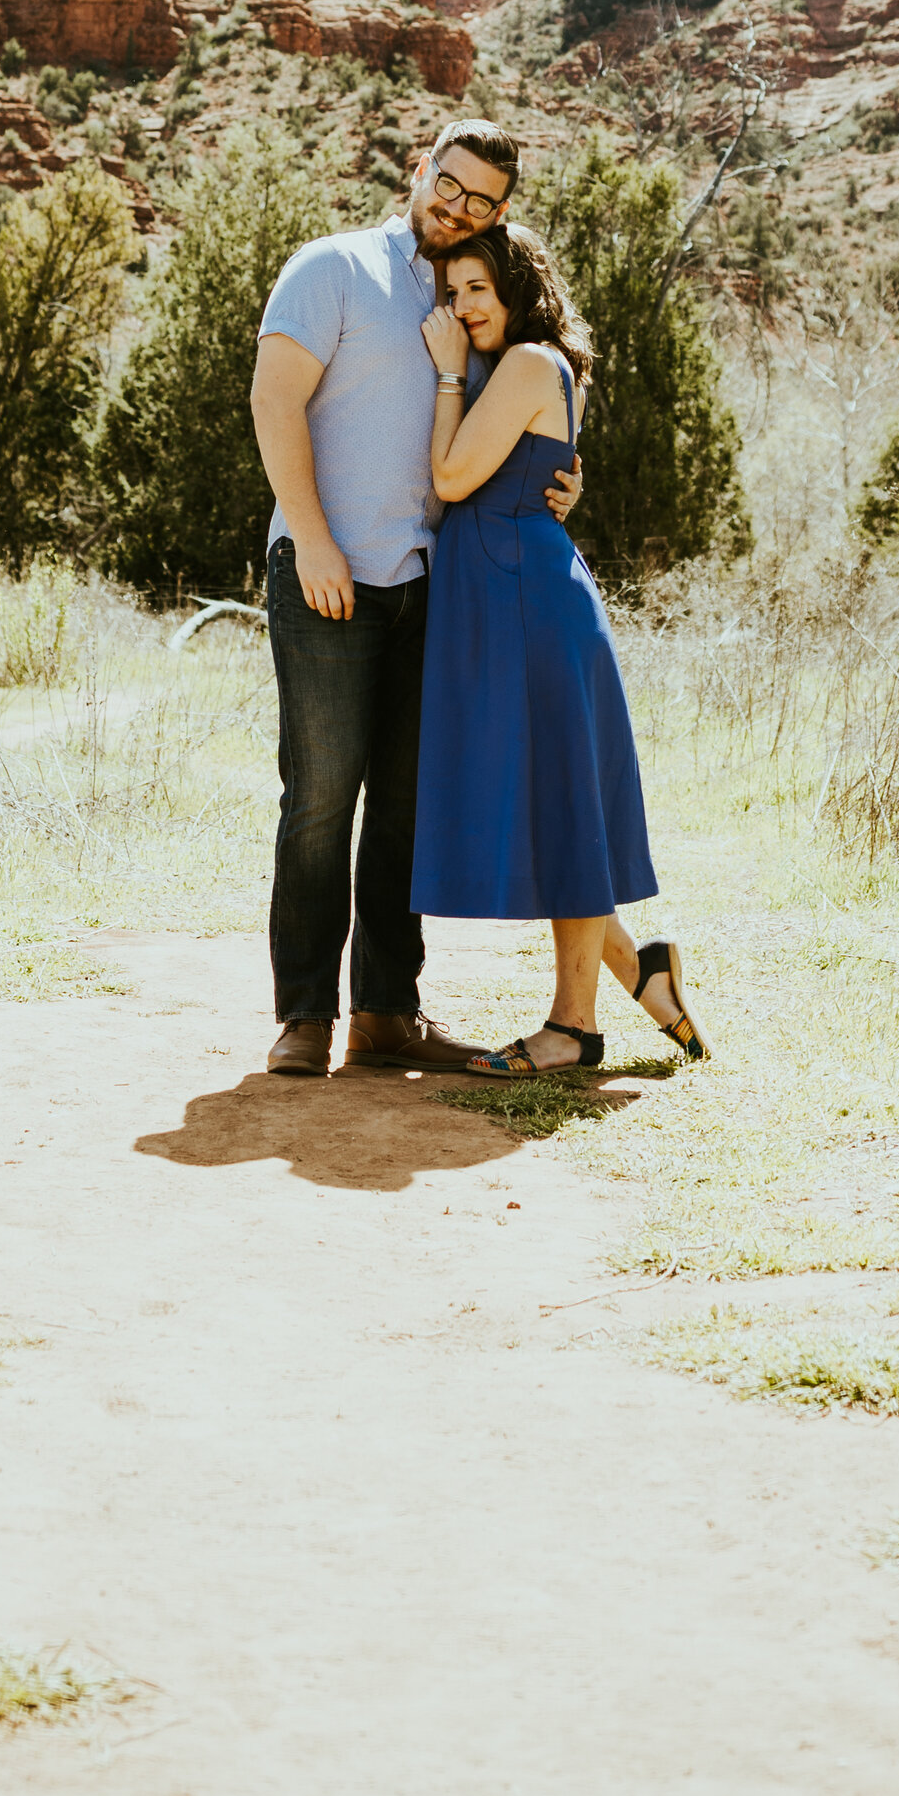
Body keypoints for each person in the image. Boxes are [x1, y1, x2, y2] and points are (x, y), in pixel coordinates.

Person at [248, 119, 581, 1078]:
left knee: (403, 805)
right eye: (450, 185)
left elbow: (521, 418)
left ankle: (388, 1012)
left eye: (482, 200)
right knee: (320, 799)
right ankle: (305, 1013)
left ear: (501, 211)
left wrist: (562, 480)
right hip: (327, 576)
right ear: (419, 171)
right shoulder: (334, 268)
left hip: (436, 587)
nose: (459, 207)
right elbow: (274, 402)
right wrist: (311, 539)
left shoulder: (479, 299)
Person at [412, 221, 710, 1077]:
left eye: (479, 289)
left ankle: (572, 1030)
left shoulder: (531, 363)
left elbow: (452, 479)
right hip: (509, 597)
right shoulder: (516, 368)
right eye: (453, 291)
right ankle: (642, 972)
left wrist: (441, 376)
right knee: (549, 808)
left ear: (516, 290)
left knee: (566, 809)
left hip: (529, 607)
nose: (463, 307)